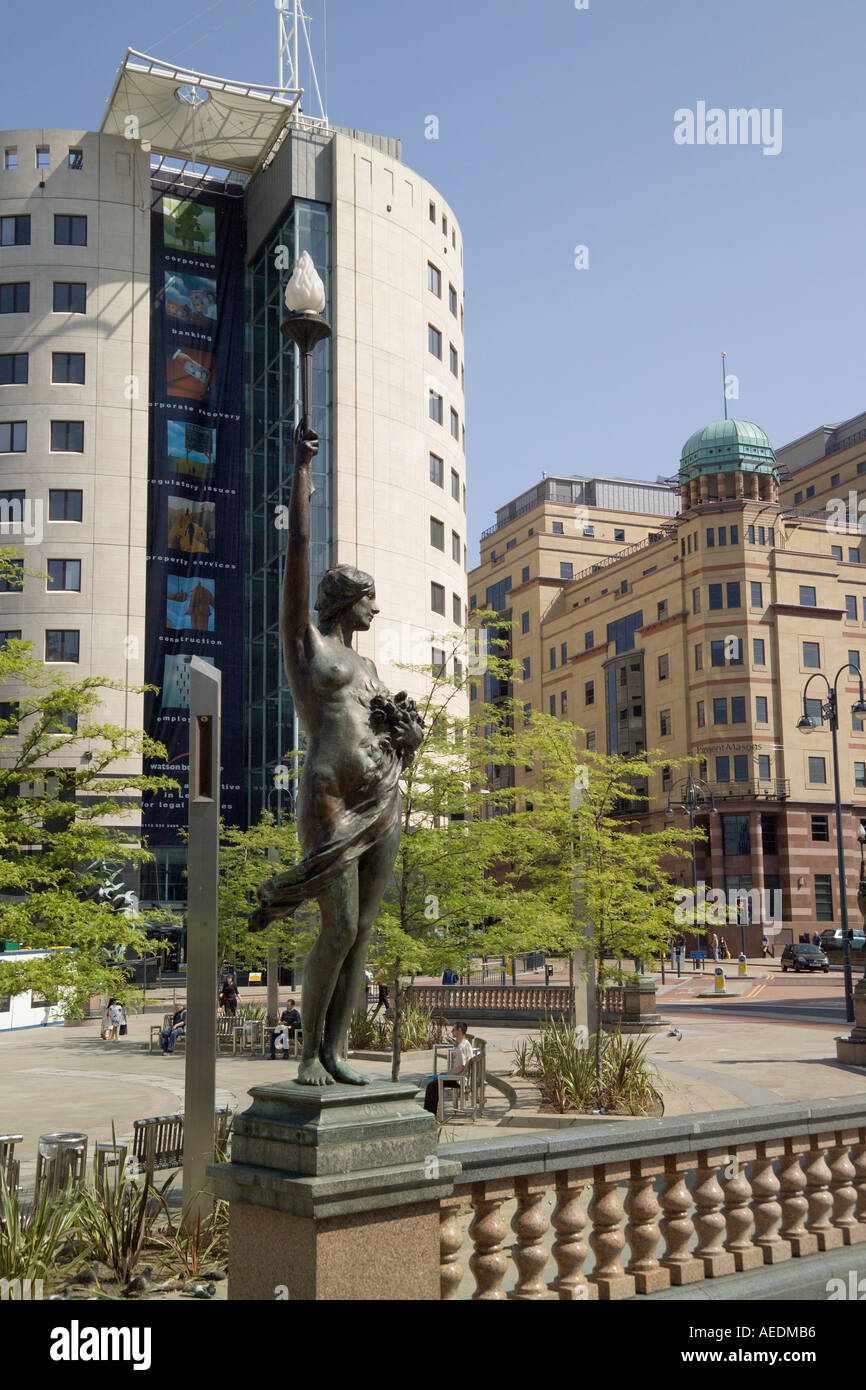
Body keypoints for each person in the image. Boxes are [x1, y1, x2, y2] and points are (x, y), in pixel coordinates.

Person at [248, 424, 424, 1087]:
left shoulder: (370, 668)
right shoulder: (308, 648)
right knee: (340, 925)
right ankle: (306, 1056)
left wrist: (408, 738)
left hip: (382, 798)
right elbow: (297, 548)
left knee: (365, 930)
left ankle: (336, 1050)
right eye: (369, 598)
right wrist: (301, 470)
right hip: (330, 797)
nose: (376, 608)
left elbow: (393, 737)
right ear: (345, 601)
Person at [423, 1021, 474, 1116]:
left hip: (459, 1079)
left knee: (432, 1086)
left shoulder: (461, 1047)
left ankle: (430, 1114)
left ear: (459, 1030)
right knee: (434, 1083)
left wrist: (446, 1074)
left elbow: (461, 1067)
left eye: (453, 1029)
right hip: (463, 1077)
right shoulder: (466, 1043)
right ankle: (431, 1113)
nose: (451, 1031)